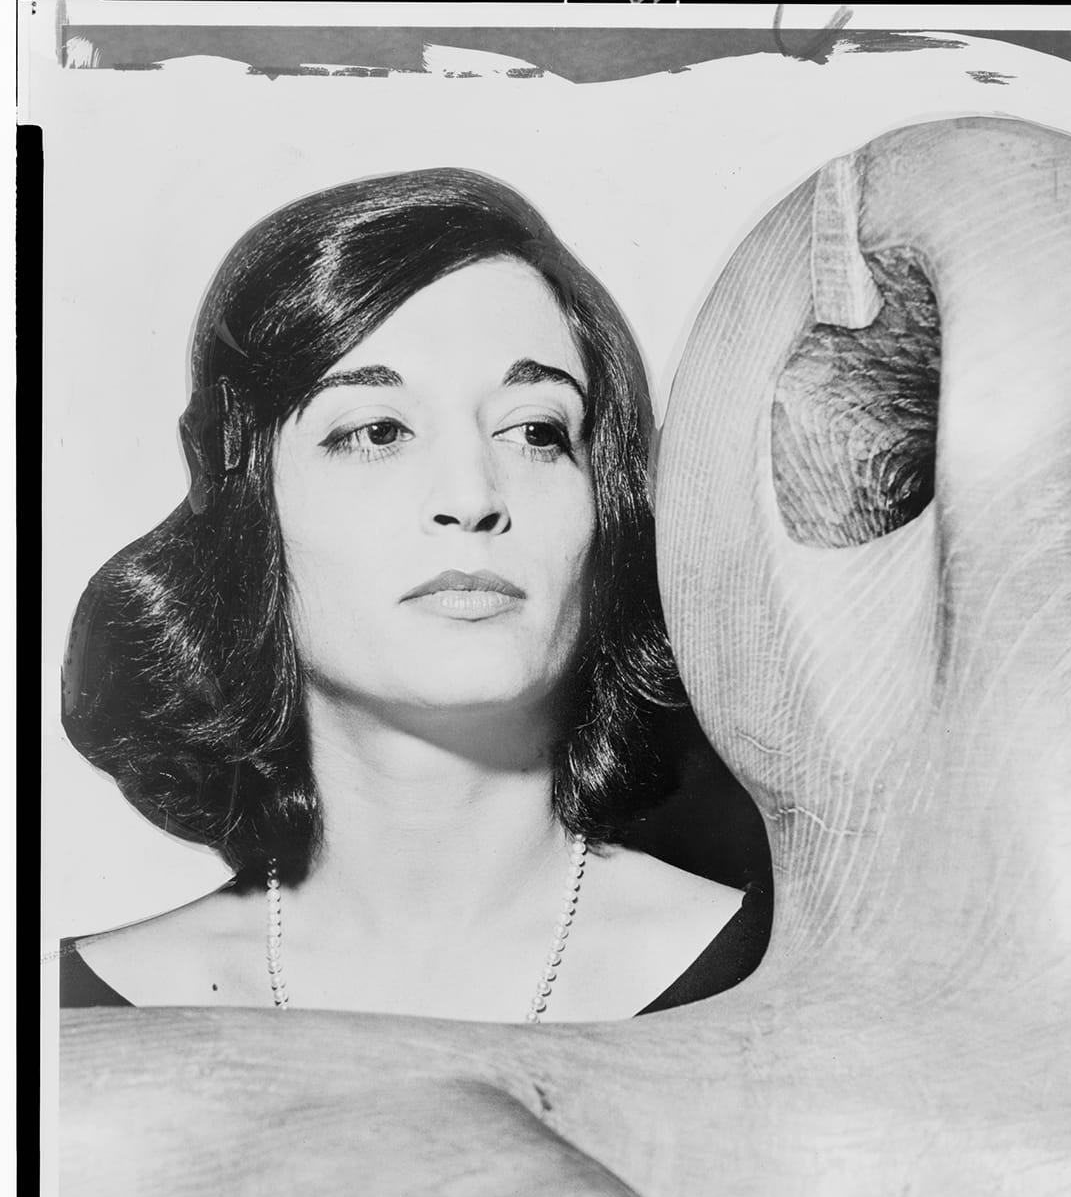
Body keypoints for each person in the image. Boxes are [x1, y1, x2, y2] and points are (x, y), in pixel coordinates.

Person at [58, 168, 769, 1021]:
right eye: (375, 432)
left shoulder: (776, 985)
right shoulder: (57, 1021)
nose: (472, 497)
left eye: (537, 430)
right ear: (247, 504)